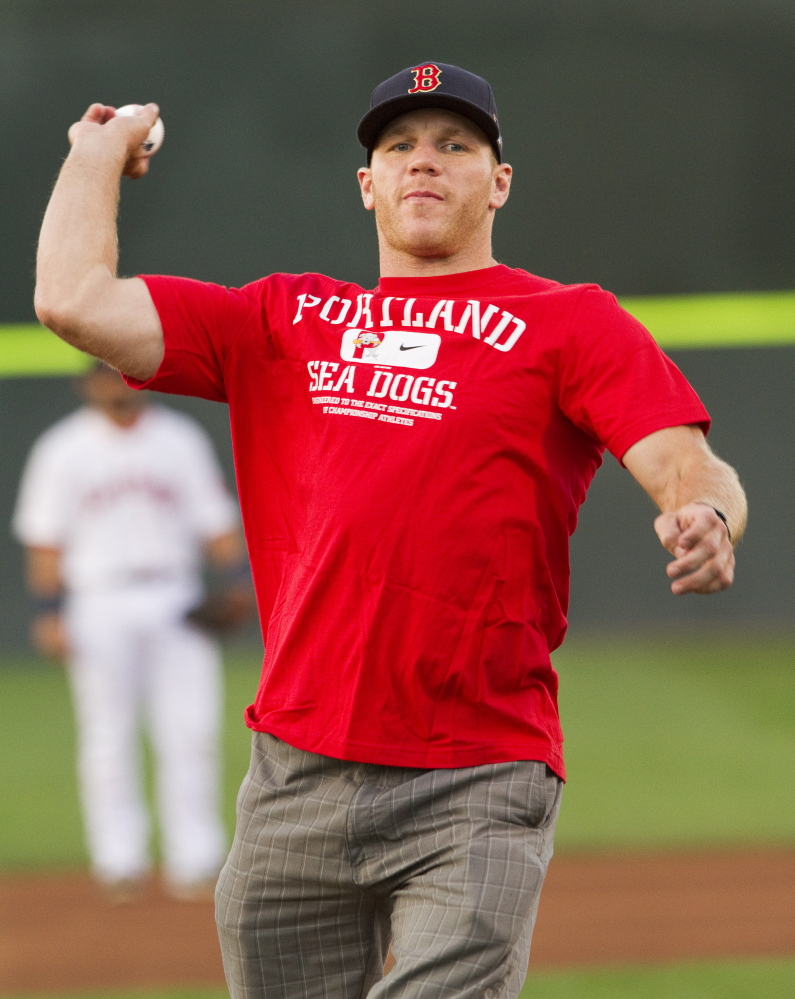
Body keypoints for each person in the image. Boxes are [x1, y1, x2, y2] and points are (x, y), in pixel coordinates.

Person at [33, 61, 746, 996]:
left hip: (476, 773)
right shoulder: (282, 317)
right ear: (366, 184)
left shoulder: (568, 322)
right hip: (295, 774)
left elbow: (688, 462)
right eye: (399, 146)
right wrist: (92, 156)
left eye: (455, 145)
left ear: (498, 183)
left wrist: (706, 516)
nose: (424, 162)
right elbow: (73, 301)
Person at [13, 362, 252, 900]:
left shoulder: (178, 439)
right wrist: (49, 610)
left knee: (191, 731)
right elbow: (45, 541)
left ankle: (197, 857)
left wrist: (238, 579)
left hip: (176, 594)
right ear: (88, 385)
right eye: (104, 376)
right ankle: (118, 857)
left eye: (122, 375)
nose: (115, 385)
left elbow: (215, 523)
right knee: (107, 733)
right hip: (98, 598)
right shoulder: (63, 448)